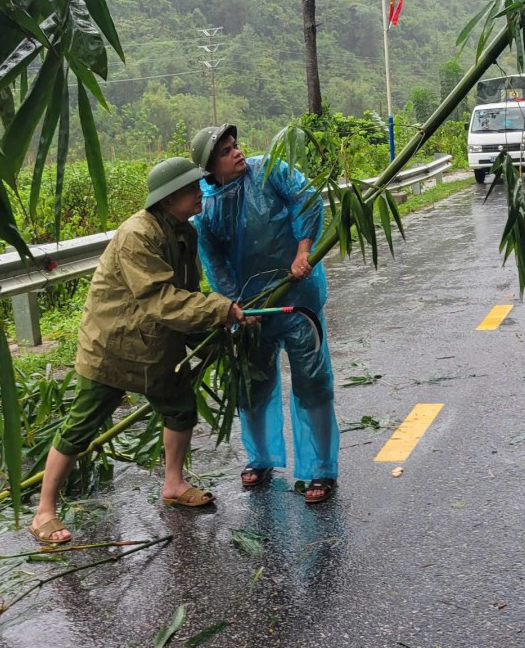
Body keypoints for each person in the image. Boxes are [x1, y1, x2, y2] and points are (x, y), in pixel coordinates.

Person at [29, 158, 246, 545]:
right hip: (112, 347)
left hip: (157, 345)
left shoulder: (185, 232)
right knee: (81, 426)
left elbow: (187, 293)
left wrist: (217, 327)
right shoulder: (137, 235)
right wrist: (218, 310)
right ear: (167, 198)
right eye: (191, 189)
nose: (200, 193)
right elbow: (160, 298)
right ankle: (44, 510)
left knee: (180, 410)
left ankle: (174, 485)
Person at [190, 123, 339, 505]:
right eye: (225, 151)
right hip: (253, 310)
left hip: (298, 296)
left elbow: (304, 199)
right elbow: (216, 264)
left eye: (235, 145)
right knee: (254, 386)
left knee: (312, 380)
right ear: (210, 168)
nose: (237, 152)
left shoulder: (270, 170)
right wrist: (235, 304)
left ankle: (320, 469)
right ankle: (261, 458)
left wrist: (303, 251)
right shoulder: (206, 208)